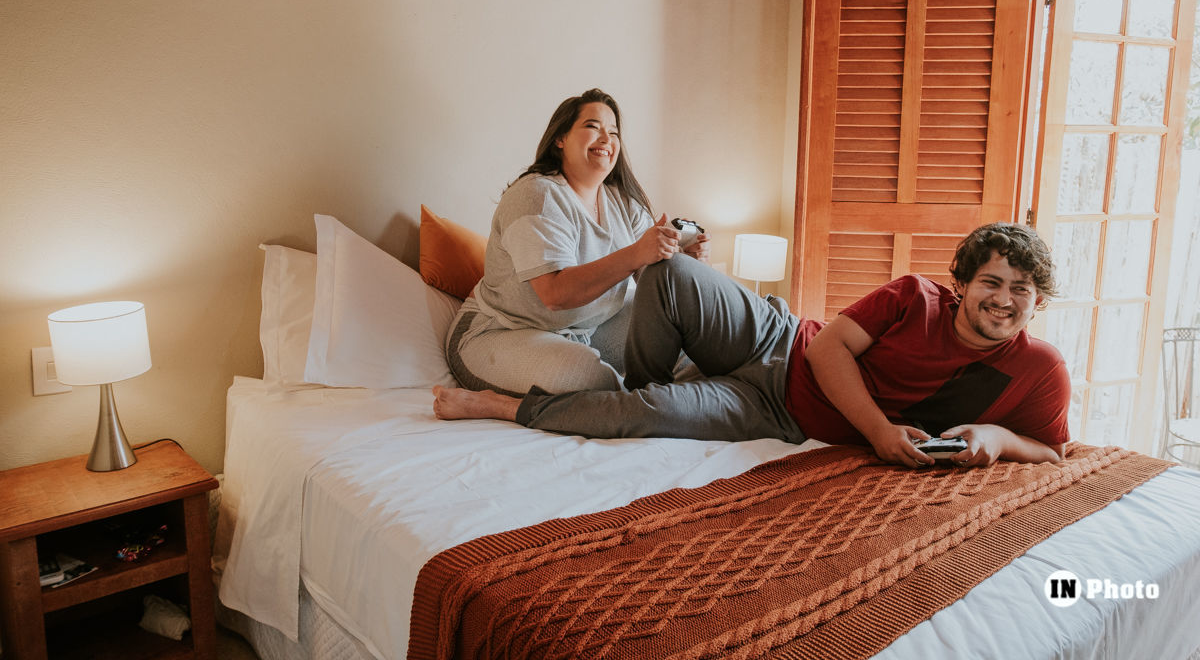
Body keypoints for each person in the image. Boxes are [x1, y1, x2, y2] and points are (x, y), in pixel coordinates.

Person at [434, 222, 1071, 468]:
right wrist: (879, 431)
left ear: (1037, 301)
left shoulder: (1039, 368)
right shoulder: (914, 296)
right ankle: (644, 378)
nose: (1003, 299)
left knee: (648, 416)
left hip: (776, 411)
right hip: (779, 337)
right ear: (960, 284)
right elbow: (827, 352)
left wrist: (997, 438)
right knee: (671, 270)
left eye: (1021, 290)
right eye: (990, 281)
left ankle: (503, 406)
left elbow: (1052, 449)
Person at [445, 88, 711, 398]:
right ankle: (488, 405)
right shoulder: (536, 196)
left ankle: (675, 404)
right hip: (502, 333)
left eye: (613, 132)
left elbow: (651, 282)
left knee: (692, 339)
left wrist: (686, 260)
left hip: (587, 330)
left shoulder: (623, 202)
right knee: (589, 381)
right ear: (560, 138)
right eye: (592, 127)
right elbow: (555, 294)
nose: (605, 138)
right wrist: (636, 252)